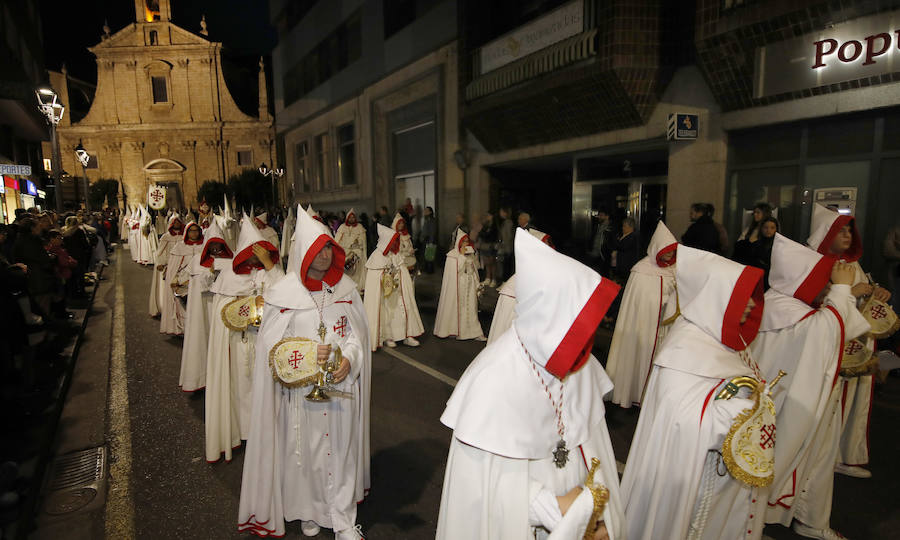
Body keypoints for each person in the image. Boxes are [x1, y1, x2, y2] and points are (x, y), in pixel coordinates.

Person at [436, 229, 624, 540]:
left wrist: (597, 516)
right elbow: (477, 491)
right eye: (577, 328)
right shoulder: (491, 378)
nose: (586, 343)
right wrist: (556, 508)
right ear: (549, 319)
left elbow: (593, 449)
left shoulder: (581, 364)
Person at [620, 245, 770, 540]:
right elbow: (683, 425)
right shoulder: (684, 352)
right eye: (742, 297)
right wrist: (739, 412)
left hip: (716, 475)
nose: (752, 305)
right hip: (695, 482)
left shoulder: (716, 338)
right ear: (717, 300)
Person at [238, 206, 370, 540]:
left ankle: (342, 518)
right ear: (303, 253)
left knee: (342, 450)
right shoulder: (283, 294)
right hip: (299, 393)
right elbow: (272, 348)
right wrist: (308, 356)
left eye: (329, 248)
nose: (325, 254)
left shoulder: (346, 291)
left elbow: (356, 336)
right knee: (305, 455)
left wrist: (350, 360)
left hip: (342, 389)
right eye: (319, 248)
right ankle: (309, 511)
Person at [750, 234, 868, 540]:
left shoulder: (778, 303)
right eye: (821, 280)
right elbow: (835, 330)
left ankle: (809, 520)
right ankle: (756, 523)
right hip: (794, 406)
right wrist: (842, 291)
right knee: (788, 460)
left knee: (810, 460)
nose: (825, 287)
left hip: (785, 400)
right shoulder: (798, 316)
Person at [806, 204, 890, 479]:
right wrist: (849, 292)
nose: (847, 236)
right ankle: (820, 458)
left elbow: (860, 290)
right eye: (840, 231)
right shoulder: (811, 262)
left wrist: (875, 292)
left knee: (854, 399)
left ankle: (844, 454)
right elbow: (813, 300)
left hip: (856, 339)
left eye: (849, 232)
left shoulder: (851, 263)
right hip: (829, 343)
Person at [205, 214, 284, 463]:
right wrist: (250, 304)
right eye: (251, 252)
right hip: (237, 342)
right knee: (240, 387)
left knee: (263, 389)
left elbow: (285, 291)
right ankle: (241, 432)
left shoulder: (268, 273)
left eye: (259, 252)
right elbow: (222, 312)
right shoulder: (229, 277)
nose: (255, 257)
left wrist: (268, 265)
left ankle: (264, 431)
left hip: (264, 341)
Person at [605, 221, 678, 408]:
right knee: (638, 357)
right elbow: (640, 302)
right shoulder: (641, 270)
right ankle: (635, 392)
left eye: (672, 251)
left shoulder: (675, 269)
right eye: (666, 251)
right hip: (644, 327)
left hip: (667, 327)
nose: (669, 255)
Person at [179, 220, 232, 393]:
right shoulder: (197, 261)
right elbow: (199, 286)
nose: (216, 249)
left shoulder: (230, 260)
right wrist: (210, 273)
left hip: (222, 307)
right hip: (203, 309)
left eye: (219, 245)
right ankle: (202, 377)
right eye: (213, 245)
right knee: (203, 339)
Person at [486, 229, 553, 345]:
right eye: (545, 244)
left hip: (520, 297)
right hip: (514, 298)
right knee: (507, 333)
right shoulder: (532, 260)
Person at [363, 224, 424, 350]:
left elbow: (402, 269)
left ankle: (407, 335)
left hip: (398, 291)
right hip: (386, 294)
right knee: (388, 315)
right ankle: (388, 337)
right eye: (393, 241)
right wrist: (386, 276)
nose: (395, 244)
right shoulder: (377, 256)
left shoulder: (395, 255)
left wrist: (400, 274)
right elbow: (375, 277)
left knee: (403, 311)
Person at [434, 229, 486, 342]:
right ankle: (459, 331)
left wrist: (477, 283)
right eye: (464, 241)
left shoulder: (471, 254)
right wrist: (462, 256)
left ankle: (476, 332)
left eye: (467, 241)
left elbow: (474, 269)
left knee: (472, 308)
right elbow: (455, 270)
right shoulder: (452, 256)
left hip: (470, 284)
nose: (466, 244)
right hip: (459, 285)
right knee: (461, 308)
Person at [160, 221, 203, 336]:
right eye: (191, 231)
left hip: (200, 283)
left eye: (196, 231)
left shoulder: (204, 247)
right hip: (183, 284)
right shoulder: (180, 247)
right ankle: (183, 329)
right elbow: (174, 267)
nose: (194, 233)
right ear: (187, 232)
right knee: (183, 308)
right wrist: (175, 280)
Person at [150, 214, 183, 318]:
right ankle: (166, 307)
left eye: (178, 221)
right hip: (168, 265)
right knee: (167, 287)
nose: (177, 223)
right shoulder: (166, 236)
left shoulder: (184, 236)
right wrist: (161, 263)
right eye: (175, 222)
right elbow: (160, 252)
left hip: (181, 266)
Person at [335, 208, 367, 291]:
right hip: (344, 253)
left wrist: (357, 245)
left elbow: (363, 242)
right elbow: (337, 241)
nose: (351, 219)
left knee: (356, 272)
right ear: (347, 218)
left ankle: (356, 287)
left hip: (356, 253)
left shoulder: (360, 227)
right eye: (350, 217)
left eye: (353, 217)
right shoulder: (342, 227)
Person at [746, 217, 778, 289]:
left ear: (776, 229)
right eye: (765, 227)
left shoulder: (779, 246)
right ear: (761, 229)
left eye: (772, 228)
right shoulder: (755, 245)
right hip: (757, 278)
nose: (768, 230)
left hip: (773, 280)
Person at [611, 217, 639, 282]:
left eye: (624, 226)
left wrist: (616, 240)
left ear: (631, 227)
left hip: (626, 265)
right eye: (623, 226)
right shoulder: (625, 235)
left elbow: (623, 247)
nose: (622, 228)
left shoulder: (632, 237)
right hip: (622, 264)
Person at [589, 208, 613, 277]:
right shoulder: (597, 225)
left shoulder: (611, 227)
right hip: (595, 253)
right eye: (599, 215)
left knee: (604, 274)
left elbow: (612, 241)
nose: (599, 217)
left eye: (601, 215)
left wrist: (609, 251)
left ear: (607, 216)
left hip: (604, 254)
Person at [478, 212, 499, 287]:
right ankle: (488, 278)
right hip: (485, 245)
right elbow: (481, 233)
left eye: (489, 216)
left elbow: (493, 235)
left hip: (491, 245)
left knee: (492, 263)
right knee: (486, 263)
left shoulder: (494, 225)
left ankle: (493, 279)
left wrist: (486, 234)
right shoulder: (485, 225)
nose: (487, 217)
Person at [497, 207, 514, 280]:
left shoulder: (508, 223)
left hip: (507, 248)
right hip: (505, 247)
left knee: (506, 266)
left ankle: (505, 282)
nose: (500, 213)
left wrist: (503, 244)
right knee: (504, 266)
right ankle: (504, 281)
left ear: (505, 213)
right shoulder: (505, 222)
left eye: (501, 212)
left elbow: (508, 236)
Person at [420, 206, 437, 274]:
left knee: (429, 254)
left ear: (430, 212)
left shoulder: (431, 220)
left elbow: (432, 231)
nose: (425, 212)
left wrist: (431, 241)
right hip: (425, 239)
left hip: (429, 239)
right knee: (426, 255)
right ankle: (426, 268)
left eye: (426, 211)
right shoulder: (427, 219)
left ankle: (430, 270)